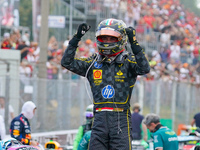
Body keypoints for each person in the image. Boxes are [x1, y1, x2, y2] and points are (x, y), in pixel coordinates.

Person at [61, 18, 150, 149]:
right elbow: (66, 63)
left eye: (111, 38)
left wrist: (134, 43)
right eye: (104, 38)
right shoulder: (93, 62)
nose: (107, 42)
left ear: (121, 39)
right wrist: (76, 38)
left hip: (121, 119)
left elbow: (144, 68)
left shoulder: (128, 61)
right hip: (99, 120)